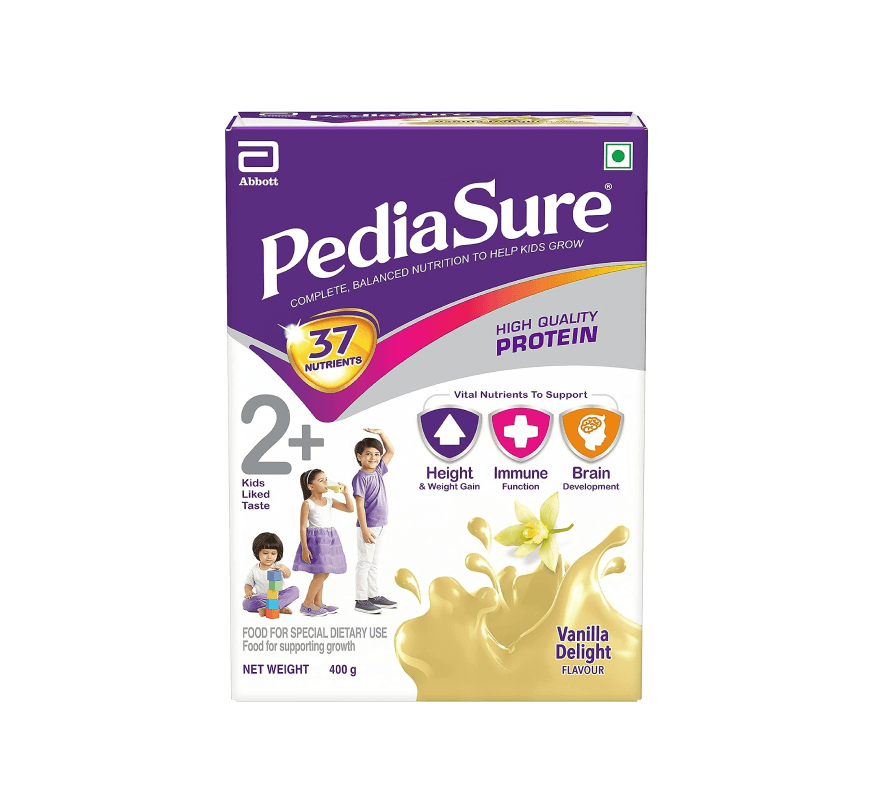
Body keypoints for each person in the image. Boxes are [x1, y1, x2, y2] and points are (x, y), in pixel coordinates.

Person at [292, 468, 353, 618]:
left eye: (326, 479)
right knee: (323, 572)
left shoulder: (330, 501)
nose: (326, 483)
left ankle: (318, 604)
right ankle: (307, 604)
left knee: (321, 571)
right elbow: (302, 527)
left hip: (330, 539)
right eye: (321, 480)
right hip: (317, 541)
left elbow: (350, 509)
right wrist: (305, 548)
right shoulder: (307, 504)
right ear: (311, 486)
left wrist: (345, 493)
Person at [351, 428, 397, 614]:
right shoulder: (360, 478)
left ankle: (373, 595)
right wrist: (364, 529)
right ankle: (361, 600)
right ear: (359, 456)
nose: (373, 457)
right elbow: (359, 505)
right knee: (364, 563)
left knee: (374, 563)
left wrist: (381, 434)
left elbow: (391, 451)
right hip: (368, 527)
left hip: (381, 525)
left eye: (377, 454)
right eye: (368, 454)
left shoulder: (378, 471)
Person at [242, 532, 299, 615]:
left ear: (277, 554)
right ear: (257, 552)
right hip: (264, 597)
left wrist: (284, 568)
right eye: (265, 553)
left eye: (273, 553)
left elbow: (288, 575)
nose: (269, 557)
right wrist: (248, 592)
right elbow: (248, 584)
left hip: (279, 595)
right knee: (246, 603)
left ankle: (272, 607)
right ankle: (278, 608)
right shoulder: (254, 570)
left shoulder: (278, 565)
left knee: (295, 590)